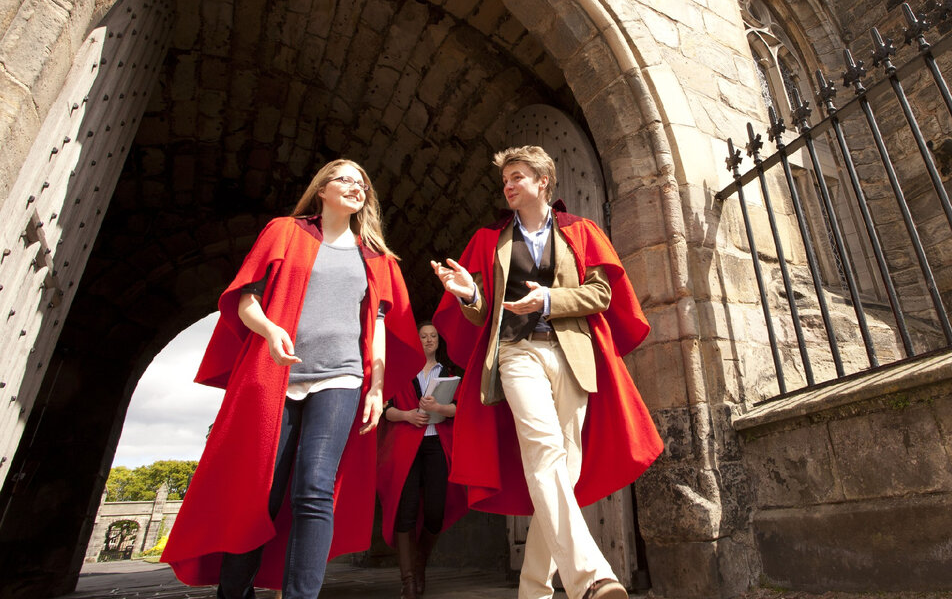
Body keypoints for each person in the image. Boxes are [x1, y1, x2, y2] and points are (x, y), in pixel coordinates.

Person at [162, 159, 423, 598]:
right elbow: (247, 300)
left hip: (341, 379)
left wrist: (376, 386)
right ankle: (234, 591)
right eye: (346, 179)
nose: (357, 187)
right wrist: (269, 329)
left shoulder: (376, 258)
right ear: (322, 189)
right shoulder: (285, 231)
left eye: (363, 184)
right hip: (277, 376)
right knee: (260, 490)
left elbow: (377, 327)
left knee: (316, 487)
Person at [431, 145, 663, 599]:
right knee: (543, 451)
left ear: (543, 182)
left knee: (562, 471)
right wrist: (467, 296)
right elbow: (483, 316)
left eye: (517, 177)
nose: (509, 186)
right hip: (518, 353)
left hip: (573, 356)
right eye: (505, 181)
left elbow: (601, 295)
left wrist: (550, 301)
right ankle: (590, 579)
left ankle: (533, 589)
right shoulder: (489, 240)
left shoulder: (580, 231)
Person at [376, 321, 467, 599]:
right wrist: (407, 416)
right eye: (423, 336)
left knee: (435, 512)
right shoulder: (401, 372)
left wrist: (438, 408)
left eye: (432, 336)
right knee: (406, 510)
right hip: (406, 446)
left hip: (437, 445)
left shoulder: (449, 374)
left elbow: (459, 410)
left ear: (438, 342)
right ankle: (409, 583)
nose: (428, 340)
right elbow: (385, 410)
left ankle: (419, 565)